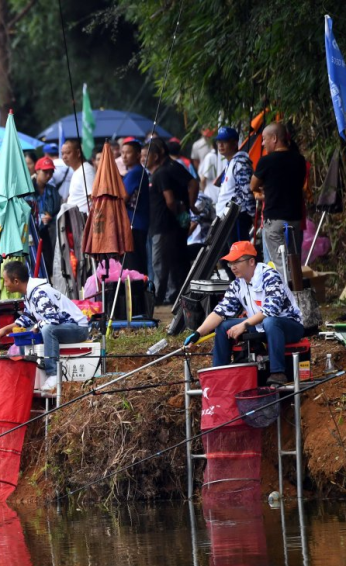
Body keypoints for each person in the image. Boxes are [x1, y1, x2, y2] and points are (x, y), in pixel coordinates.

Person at [184, 241, 303, 385]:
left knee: (271, 321)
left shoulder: (270, 276)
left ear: (251, 261)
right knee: (224, 325)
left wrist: (244, 325)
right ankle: (219, 373)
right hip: (261, 325)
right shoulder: (237, 284)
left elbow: (271, 310)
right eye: (230, 263)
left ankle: (278, 373)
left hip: (289, 326)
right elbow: (220, 311)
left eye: (237, 262)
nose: (232, 267)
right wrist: (198, 333)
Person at [0, 260, 89, 393]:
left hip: (78, 329)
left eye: (5, 280)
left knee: (47, 329)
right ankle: (27, 375)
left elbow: (52, 320)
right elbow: (27, 318)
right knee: (33, 331)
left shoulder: (39, 293)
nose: (4, 284)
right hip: (64, 328)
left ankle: (54, 375)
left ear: (16, 281)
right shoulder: (29, 294)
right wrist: (4, 330)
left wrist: (37, 325)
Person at [250, 122, 306, 282]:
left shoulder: (266, 161)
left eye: (264, 139)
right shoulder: (299, 160)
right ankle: (298, 297)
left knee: (280, 265)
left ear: (274, 138)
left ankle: (287, 301)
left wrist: (263, 191)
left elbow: (252, 185)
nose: (262, 143)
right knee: (294, 263)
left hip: (275, 220)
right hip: (295, 219)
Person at [145, 137, 198, 304]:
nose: (143, 158)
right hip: (160, 224)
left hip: (167, 224)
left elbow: (191, 184)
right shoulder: (156, 173)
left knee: (165, 261)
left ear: (157, 154)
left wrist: (188, 206)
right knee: (167, 261)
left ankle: (165, 297)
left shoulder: (167, 170)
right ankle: (171, 294)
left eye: (146, 154)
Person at [213, 126, 255, 242]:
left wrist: (252, 214)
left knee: (240, 256)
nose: (220, 145)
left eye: (225, 141)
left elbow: (247, 190)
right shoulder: (231, 163)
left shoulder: (240, 163)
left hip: (236, 217)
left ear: (235, 143)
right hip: (227, 219)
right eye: (219, 141)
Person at [119, 138, 150, 274]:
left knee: (133, 265)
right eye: (122, 153)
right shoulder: (135, 172)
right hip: (137, 224)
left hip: (134, 224)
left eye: (128, 153)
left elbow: (123, 197)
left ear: (138, 154)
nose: (124, 156)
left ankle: (137, 293)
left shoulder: (135, 172)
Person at [32, 157, 62, 273]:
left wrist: (51, 218)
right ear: (37, 171)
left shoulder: (53, 190)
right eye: (45, 172)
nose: (48, 175)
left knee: (49, 264)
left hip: (49, 234)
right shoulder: (27, 189)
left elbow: (58, 212)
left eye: (51, 172)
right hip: (33, 232)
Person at [61, 139, 95, 216]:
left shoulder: (86, 170)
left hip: (85, 221)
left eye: (68, 153)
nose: (64, 157)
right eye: (62, 154)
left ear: (78, 153)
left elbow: (94, 198)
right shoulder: (77, 171)